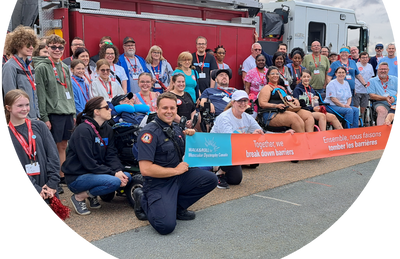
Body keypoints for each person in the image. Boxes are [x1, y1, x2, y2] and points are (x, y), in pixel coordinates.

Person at [133, 92, 218, 235]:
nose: (169, 111)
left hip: (178, 176)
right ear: (157, 108)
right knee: (165, 227)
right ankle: (142, 198)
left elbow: (188, 151)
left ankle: (177, 208)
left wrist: (192, 136)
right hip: (158, 182)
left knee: (211, 179)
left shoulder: (176, 127)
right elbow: (146, 170)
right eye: (165, 108)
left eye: (172, 108)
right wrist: (176, 171)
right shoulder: (149, 133)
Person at [62, 97, 131, 215]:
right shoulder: (83, 130)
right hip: (78, 176)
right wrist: (113, 173)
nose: (111, 110)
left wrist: (118, 170)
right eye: (107, 107)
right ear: (96, 112)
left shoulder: (107, 128)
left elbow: (111, 154)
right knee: (114, 181)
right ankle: (79, 196)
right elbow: (88, 163)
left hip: (95, 172)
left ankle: (91, 194)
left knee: (126, 176)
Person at [34, 34, 76, 184]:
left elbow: (69, 91)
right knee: (53, 147)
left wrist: (74, 111)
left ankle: (61, 175)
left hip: (67, 111)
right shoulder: (41, 68)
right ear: (47, 48)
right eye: (53, 47)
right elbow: (41, 94)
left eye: (60, 47)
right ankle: (53, 177)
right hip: (53, 113)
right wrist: (44, 117)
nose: (57, 50)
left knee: (64, 145)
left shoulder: (65, 67)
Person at [5, 89, 60, 201]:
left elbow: (53, 155)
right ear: (8, 108)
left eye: (27, 105)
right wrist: (34, 188)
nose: (25, 109)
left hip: (47, 186)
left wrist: (52, 183)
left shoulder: (39, 126)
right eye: (20, 105)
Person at [211, 90, 263, 189]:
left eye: (245, 101)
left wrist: (281, 135)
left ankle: (221, 170)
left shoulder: (247, 117)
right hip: (218, 149)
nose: (243, 104)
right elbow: (229, 139)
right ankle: (219, 172)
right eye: (239, 101)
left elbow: (261, 132)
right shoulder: (224, 117)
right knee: (234, 146)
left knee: (235, 180)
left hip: (235, 150)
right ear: (233, 102)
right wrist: (251, 135)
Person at [258, 66, 314, 132]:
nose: (275, 75)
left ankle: (308, 139)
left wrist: (295, 100)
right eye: (272, 74)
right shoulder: (267, 88)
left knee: (308, 115)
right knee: (294, 118)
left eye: (277, 74)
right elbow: (262, 103)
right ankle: (302, 141)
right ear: (268, 76)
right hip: (272, 113)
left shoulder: (281, 87)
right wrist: (276, 106)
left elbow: (289, 97)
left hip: (286, 110)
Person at [2, 25, 40, 119]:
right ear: (18, 45)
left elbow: (34, 94)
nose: (31, 47)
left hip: (33, 117)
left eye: (33, 45)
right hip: (21, 119)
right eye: (28, 45)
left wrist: (38, 115)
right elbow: (10, 96)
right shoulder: (10, 66)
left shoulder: (30, 67)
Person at [354, 52, 374, 120]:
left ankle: (362, 119)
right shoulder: (356, 65)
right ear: (359, 58)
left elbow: (371, 78)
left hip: (366, 90)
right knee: (356, 106)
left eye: (366, 57)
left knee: (363, 107)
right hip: (357, 89)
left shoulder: (370, 66)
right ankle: (356, 120)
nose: (365, 59)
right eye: (363, 57)